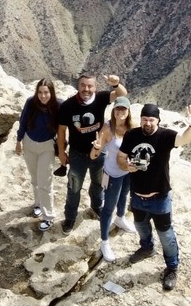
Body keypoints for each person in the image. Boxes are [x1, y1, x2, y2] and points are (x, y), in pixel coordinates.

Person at [117, 102, 191, 291]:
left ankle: (172, 268)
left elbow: (183, 139)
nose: (147, 123)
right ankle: (146, 248)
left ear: (158, 120)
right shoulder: (132, 135)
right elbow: (121, 157)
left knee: (166, 234)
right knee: (140, 225)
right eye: (145, 119)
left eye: (151, 120)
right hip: (137, 194)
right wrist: (126, 165)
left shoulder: (165, 135)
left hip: (159, 196)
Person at [55, 72, 127, 232]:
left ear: (95, 87)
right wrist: (61, 152)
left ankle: (96, 206)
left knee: (98, 184)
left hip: (99, 151)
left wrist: (115, 84)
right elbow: (61, 131)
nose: (86, 89)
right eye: (83, 85)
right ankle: (70, 218)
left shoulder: (101, 98)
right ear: (77, 86)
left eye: (90, 86)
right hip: (77, 154)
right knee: (73, 188)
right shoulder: (68, 106)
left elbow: (123, 95)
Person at [92, 97, 137, 262]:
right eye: (118, 109)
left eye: (123, 109)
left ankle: (120, 218)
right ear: (114, 110)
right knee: (107, 208)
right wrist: (96, 148)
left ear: (128, 111)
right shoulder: (107, 128)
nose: (120, 112)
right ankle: (104, 242)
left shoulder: (132, 127)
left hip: (127, 170)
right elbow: (94, 154)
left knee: (124, 195)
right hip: (111, 174)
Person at [15, 78, 60, 230]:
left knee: (45, 182)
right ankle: (38, 204)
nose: (43, 96)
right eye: (40, 92)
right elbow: (22, 122)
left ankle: (48, 216)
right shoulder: (31, 103)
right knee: (35, 178)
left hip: (47, 147)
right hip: (29, 144)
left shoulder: (58, 105)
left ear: (51, 92)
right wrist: (18, 140)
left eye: (46, 92)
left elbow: (64, 128)